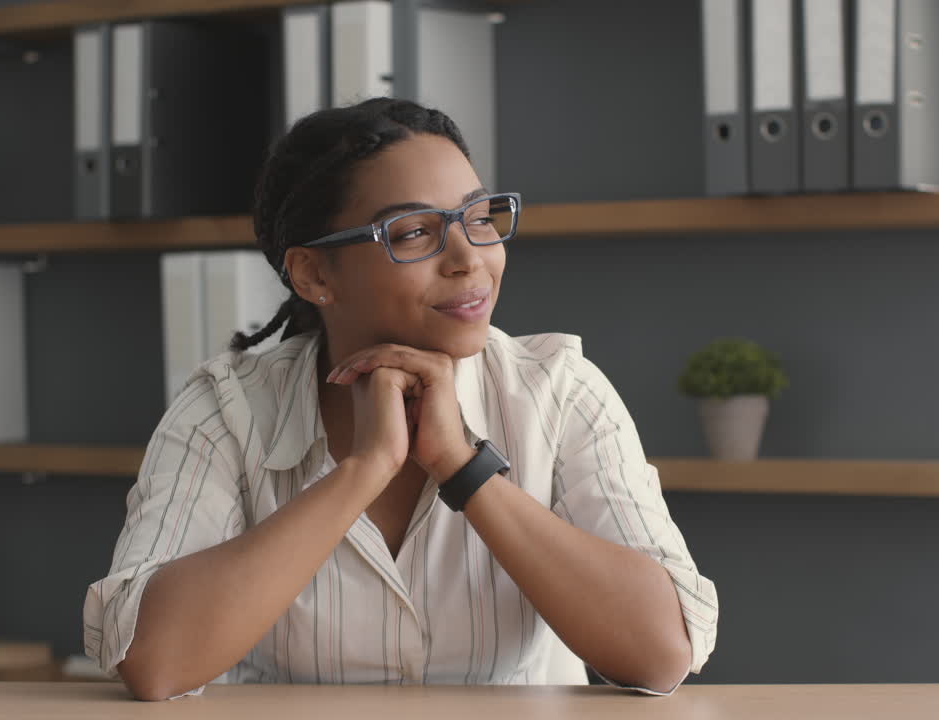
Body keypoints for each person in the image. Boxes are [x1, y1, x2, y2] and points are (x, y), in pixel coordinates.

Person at [82, 98, 718, 702]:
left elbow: (661, 653)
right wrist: (363, 470)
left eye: (478, 217)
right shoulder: (225, 409)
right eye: (414, 232)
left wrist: (463, 467)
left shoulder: (559, 390)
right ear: (313, 274)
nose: (470, 258)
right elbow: (155, 660)